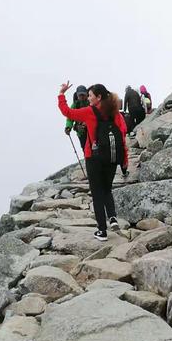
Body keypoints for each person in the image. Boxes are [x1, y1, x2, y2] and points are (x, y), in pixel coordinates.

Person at [58, 81, 128, 241]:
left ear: (98, 97)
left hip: (93, 157)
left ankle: (102, 231)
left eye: (90, 96)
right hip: (111, 157)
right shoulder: (115, 112)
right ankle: (113, 218)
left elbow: (67, 112)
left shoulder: (90, 112)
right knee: (107, 190)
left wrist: (62, 94)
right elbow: (122, 134)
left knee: (97, 194)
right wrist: (124, 158)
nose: (88, 98)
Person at [64, 85, 89, 150]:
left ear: (86, 94)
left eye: (83, 95)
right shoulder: (75, 105)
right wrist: (68, 127)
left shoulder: (91, 102)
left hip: (91, 129)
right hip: (81, 132)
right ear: (77, 95)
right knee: (84, 147)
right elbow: (70, 118)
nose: (82, 97)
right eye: (80, 95)